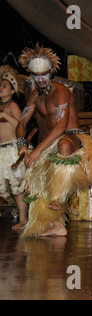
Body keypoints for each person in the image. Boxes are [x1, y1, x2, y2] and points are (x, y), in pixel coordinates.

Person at [16, 44, 92, 237]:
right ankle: (56, 225)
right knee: (38, 182)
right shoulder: (34, 96)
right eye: (37, 76)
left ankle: (59, 196)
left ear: (50, 72)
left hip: (72, 137)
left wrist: (37, 151)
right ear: (32, 76)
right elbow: (21, 123)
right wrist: (22, 145)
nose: (41, 79)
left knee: (64, 144)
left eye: (44, 75)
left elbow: (61, 127)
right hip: (48, 143)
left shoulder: (61, 92)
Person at [0, 65, 28, 231]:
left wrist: (5, 116)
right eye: (0, 85)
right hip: (0, 150)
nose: (0, 88)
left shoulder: (13, 106)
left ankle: (24, 220)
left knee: (17, 187)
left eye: (4, 86)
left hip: (12, 150)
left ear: (12, 91)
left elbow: (20, 126)